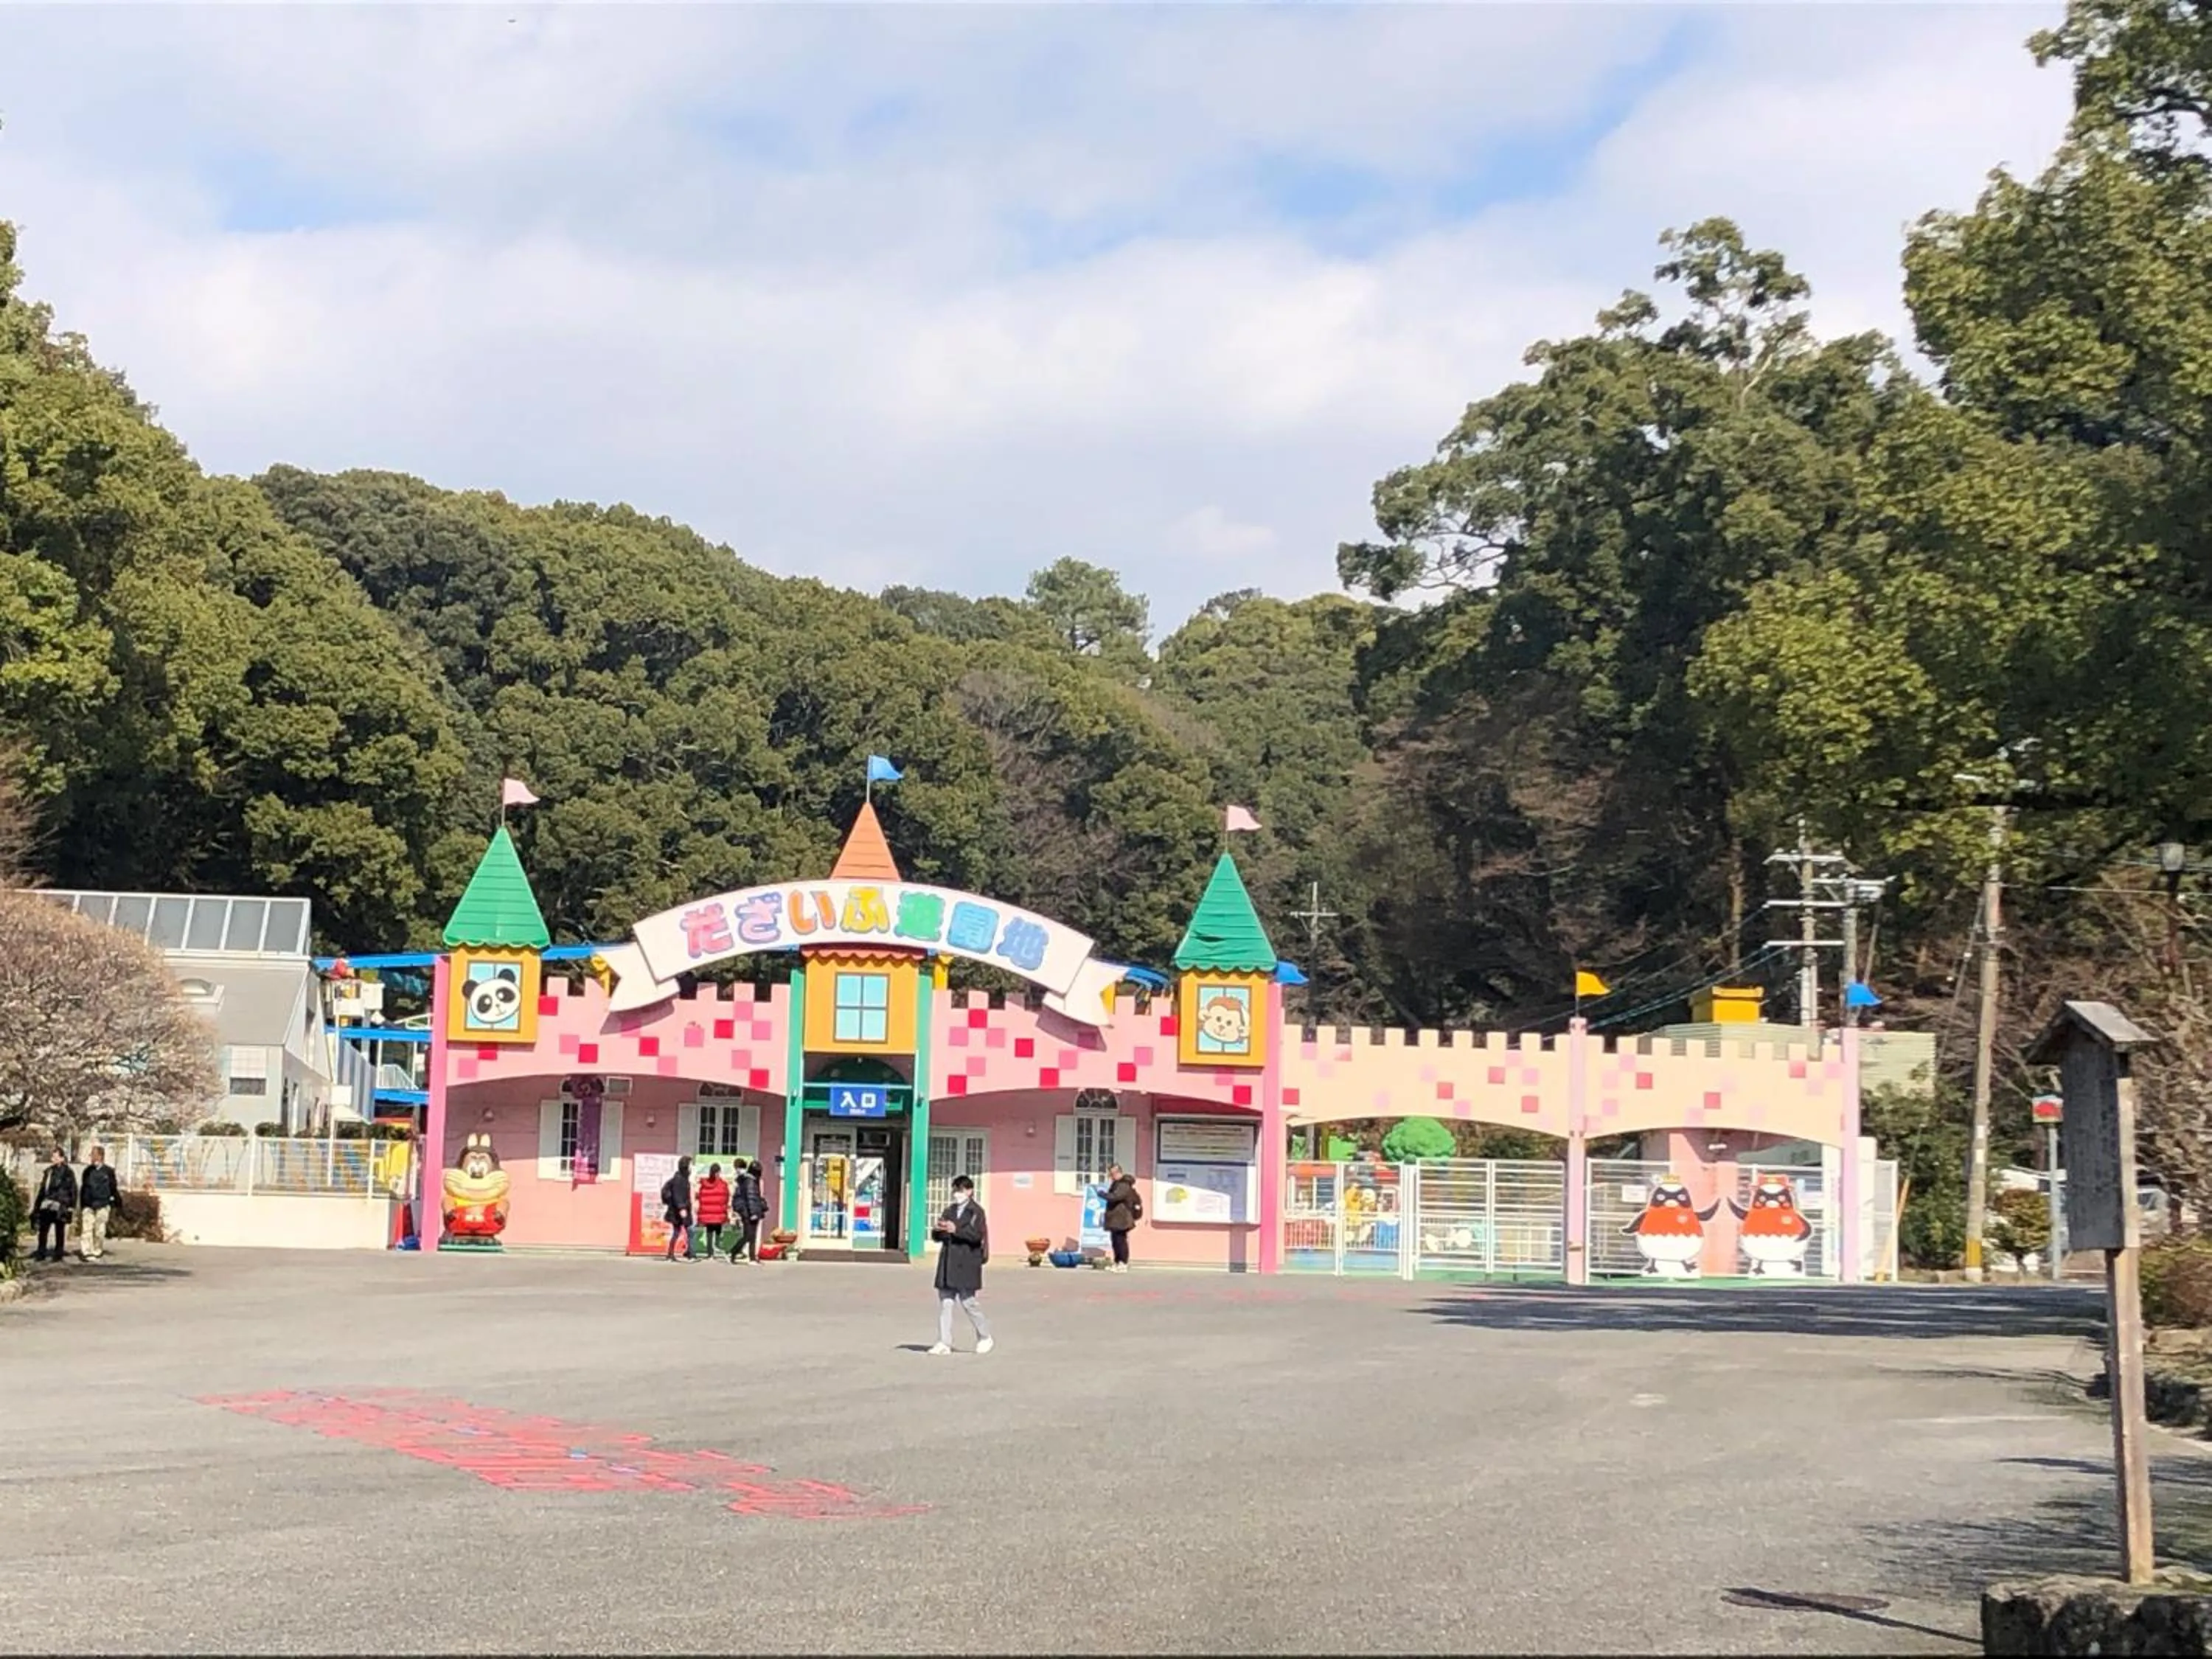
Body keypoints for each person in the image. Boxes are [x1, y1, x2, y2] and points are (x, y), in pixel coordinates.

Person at [929, 1173, 992, 1356]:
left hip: (967, 1262)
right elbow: (939, 1237)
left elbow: (976, 1236)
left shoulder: (976, 1212)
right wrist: (939, 1230)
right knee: (946, 1302)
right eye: (955, 1190)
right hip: (948, 1261)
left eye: (961, 1190)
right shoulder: (949, 1211)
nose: (958, 1194)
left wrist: (956, 1230)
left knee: (969, 1302)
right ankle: (944, 1342)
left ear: (970, 1191)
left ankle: (985, 1335)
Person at [77, 1144, 121, 1262]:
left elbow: (113, 1188)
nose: (92, 1157)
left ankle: (97, 1249)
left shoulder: (108, 1171)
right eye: (91, 1155)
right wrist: (82, 1204)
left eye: (94, 1155)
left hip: (103, 1203)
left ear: (101, 1156)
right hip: (89, 1204)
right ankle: (87, 1251)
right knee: (87, 1228)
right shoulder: (87, 1171)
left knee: (100, 1229)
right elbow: (84, 1188)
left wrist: (116, 1203)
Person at [32, 1149, 76, 1264]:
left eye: (56, 1157)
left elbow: (72, 1189)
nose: (54, 1159)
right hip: (47, 1203)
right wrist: (37, 1206)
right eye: (53, 1157)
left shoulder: (68, 1173)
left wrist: (71, 1205)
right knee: (43, 1229)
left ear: (62, 1158)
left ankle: (58, 1253)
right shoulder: (49, 1172)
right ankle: (41, 1251)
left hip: (60, 1203)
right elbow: (43, 1189)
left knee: (59, 1229)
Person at [1102, 1163, 1141, 1273]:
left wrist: (1103, 1195)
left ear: (1119, 1172)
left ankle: (1123, 1262)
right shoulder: (1116, 1184)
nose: (1112, 1175)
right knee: (1115, 1240)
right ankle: (1117, 1262)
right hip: (1116, 1217)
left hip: (1122, 1217)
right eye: (1110, 1173)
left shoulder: (1124, 1184)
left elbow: (1116, 1197)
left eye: (1113, 1173)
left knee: (1120, 1241)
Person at [729, 1158, 767, 1264]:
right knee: (749, 1235)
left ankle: (752, 1257)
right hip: (749, 1212)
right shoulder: (750, 1181)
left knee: (752, 1235)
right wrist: (753, 1213)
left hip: (749, 1211)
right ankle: (734, 1251)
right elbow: (751, 1198)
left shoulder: (750, 1180)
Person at [661, 1154, 695, 1262]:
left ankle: (673, 1254)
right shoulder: (680, 1179)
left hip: (678, 1210)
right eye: (691, 1165)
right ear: (686, 1166)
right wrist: (682, 1208)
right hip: (679, 1211)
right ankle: (689, 1253)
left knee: (679, 1232)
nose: (692, 1167)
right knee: (688, 1231)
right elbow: (678, 1195)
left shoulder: (682, 1178)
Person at [695, 1162, 731, 1261]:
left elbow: (701, 1197)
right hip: (719, 1213)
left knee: (709, 1233)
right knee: (718, 1232)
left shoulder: (705, 1184)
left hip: (707, 1213)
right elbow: (726, 1197)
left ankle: (710, 1253)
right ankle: (717, 1249)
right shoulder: (723, 1184)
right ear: (718, 1172)